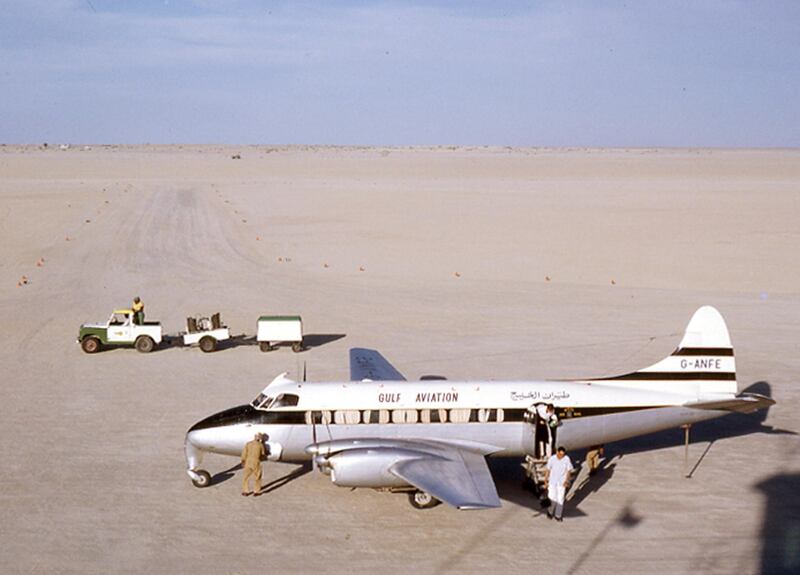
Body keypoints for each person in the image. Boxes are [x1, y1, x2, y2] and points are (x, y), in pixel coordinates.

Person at [545, 446, 574, 522]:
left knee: (560, 499)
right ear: (557, 452)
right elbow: (548, 469)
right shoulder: (552, 459)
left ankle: (558, 515)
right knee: (552, 498)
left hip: (561, 482)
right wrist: (546, 480)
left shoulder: (567, 459)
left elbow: (569, 471)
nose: (561, 456)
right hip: (552, 482)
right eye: (560, 454)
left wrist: (567, 481)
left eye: (563, 455)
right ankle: (550, 512)